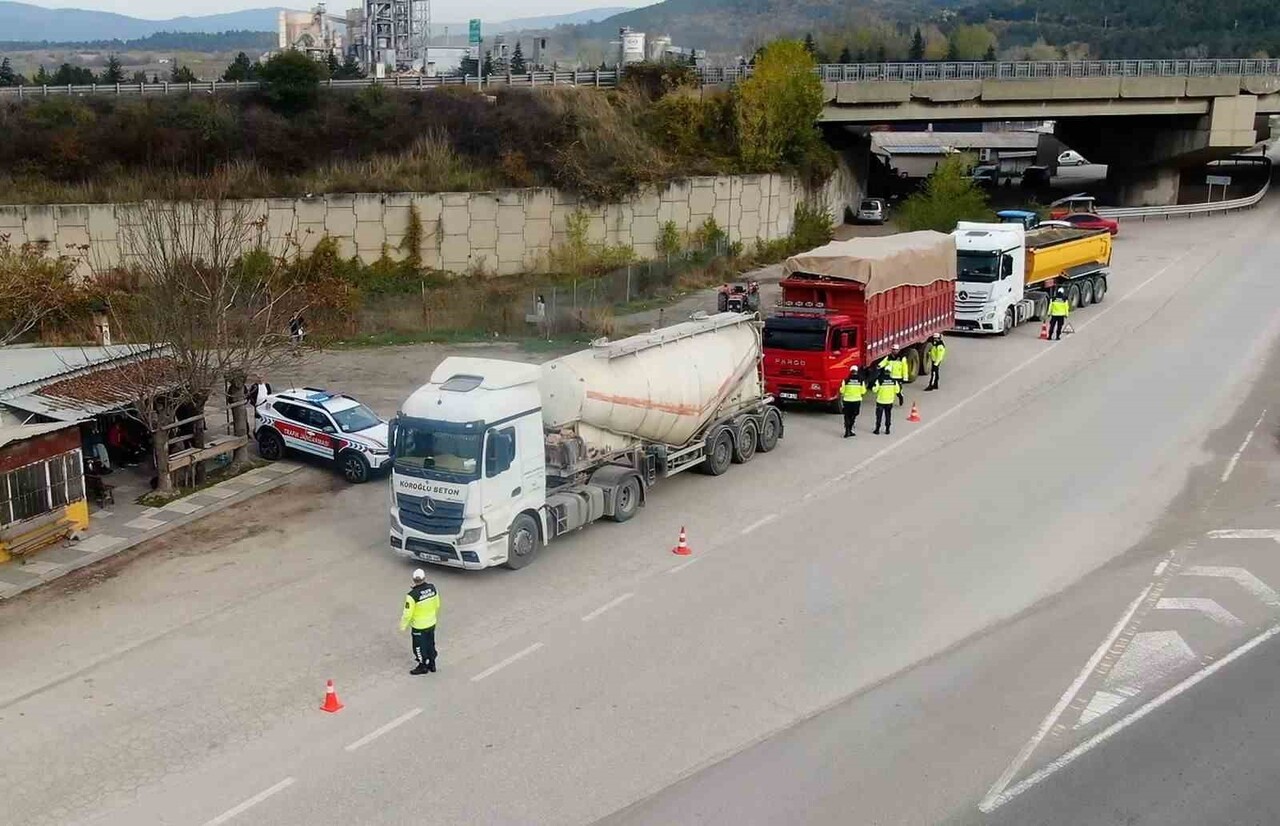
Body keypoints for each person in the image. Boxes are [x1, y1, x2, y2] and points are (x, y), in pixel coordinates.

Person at [400, 568, 441, 675]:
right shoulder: (432, 588)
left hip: (419, 626)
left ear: (414, 579)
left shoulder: (412, 595)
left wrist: (403, 626)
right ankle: (432, 664)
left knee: (418, 647)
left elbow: (407, 614)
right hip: (431, 623)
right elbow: (437, 604)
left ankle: (422, 666)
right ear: (424, 578)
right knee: (430, 643)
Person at [840, 367, 866, 438]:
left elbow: (841, 391)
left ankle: (847, 431)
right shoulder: (861, 380)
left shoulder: (845, 380)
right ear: (857, 371)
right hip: (856, 401)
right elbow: (863, 391)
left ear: (850, 371)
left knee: (847, 416)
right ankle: (850, 429)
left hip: (847, 400)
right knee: (853, 415)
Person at [871, 369, 899, 435]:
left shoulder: (879, 380)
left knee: (879, 416)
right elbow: (897, 391)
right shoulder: (894, 381)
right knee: (888, 415)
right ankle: (887, 430)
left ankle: (877, 430)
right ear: (890, 373)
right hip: (889, 401)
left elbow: (874, 390)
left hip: (880, 401)